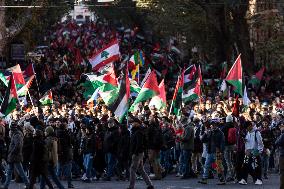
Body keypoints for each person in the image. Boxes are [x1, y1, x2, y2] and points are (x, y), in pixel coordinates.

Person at [1, 122, 29, 189]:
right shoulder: (15, 134)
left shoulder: (17, 135)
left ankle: (28, 185)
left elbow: (18, 146)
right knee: (9, 172)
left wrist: (11, 153)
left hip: (15, 157)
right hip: (13, 156)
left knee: (21, 172)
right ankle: (5, 186)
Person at [127, 118, 154, 189]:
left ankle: (131, 186)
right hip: (139, 153)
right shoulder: (137, 131)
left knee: (132, 169)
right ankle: (150, 185)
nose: (132, 124)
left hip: (137, 153)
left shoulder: (138, 132)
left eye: (133, 122)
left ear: (137, 123)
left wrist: (135, 153)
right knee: (141, 169)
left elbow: (139, 144)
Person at [199, 119, 226, 185]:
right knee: (206, 165)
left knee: (218, 166)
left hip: (217, 152)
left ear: (217, 125)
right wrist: (205, 133)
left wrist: (221, 151)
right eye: (212, 125)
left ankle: (222, 180)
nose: (213, 126)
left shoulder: (220, 133)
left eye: (214, 125)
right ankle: (204, 179)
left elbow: (222, 143)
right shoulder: (209, 132)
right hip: (210, 151)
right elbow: (203, 140)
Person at [239, 121, 264, 185]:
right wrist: (246, 150)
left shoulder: (256, 132)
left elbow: (260, 143)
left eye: (247, 127)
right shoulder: (248, 132)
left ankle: (259, 179)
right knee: (245, 165)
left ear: (250, 126)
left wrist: (259, 151)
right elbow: (247, 142)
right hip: (248, 151)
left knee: (257, 165)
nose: (246, 129)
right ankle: (244, 179)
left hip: (255, 151)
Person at [56, 119, 74, 188]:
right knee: (68, 170)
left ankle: (58, 184)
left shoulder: (57, 134)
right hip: (67, 154)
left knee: (58, 170)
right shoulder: (67, 134)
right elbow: (70, 143)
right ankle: (69, 184)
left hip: (60, 154)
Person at [275, 121, 284, 189]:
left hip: (283, 155)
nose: (280, 128)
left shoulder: (283, 134)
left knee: (282, 172)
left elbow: (277, 142)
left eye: (281, 126)